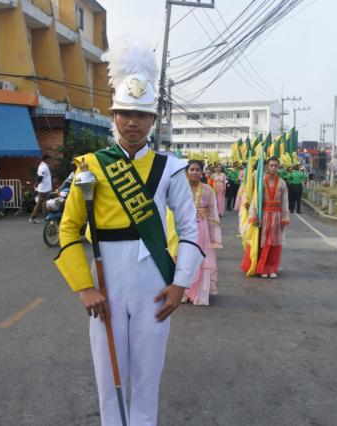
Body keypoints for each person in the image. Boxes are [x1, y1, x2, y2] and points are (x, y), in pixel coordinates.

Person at [55, 39, 203, 426]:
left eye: (140, 114)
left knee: (147, 377)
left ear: (152, 120)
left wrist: (181, 284)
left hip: (153, 282)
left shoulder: (171, 168)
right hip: (106, 282)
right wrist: (83, 286)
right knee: (109, 378)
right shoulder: (90, 166)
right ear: (113, 115)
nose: (132, 122)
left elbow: (190, 228)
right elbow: (68, 227)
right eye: (125, 113)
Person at [241, 156, 290, 278]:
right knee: (263, 243)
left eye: (276, 166)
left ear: (278, 167)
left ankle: (271, 268)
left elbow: (285, 202)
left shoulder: (282, 183)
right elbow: (255, 199)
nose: (273, 168)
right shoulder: (261, 181)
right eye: (271, 165)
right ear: (267, 166)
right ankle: (262, 268)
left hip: (277, 216)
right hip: (264, 216)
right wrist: (253, 215)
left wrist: (285, 217)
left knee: (274, 243)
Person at [182, 160, 222, 306]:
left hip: (202, 228)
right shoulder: (180, 188)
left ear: (202, 173)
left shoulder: (207, 189)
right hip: (184, 228)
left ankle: (199, 293)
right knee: (185, 259)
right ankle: (184, 292)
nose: (194, 172)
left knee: (200, 258)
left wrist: (214, 234)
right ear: (187, 172)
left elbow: (213, 212)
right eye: (191, 169)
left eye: (197, 170)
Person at [29, 154, 52, 224]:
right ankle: (33, 217)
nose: (50, 160)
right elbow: (40, 177)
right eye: (49, 159)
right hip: (44, 189)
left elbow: (38, 176)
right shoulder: (43, 167)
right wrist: (36, 184)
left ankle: (46, 218)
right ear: (46, 159)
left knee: (44, 203)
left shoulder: (44, 166)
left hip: (45, 188)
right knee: (40, 203)